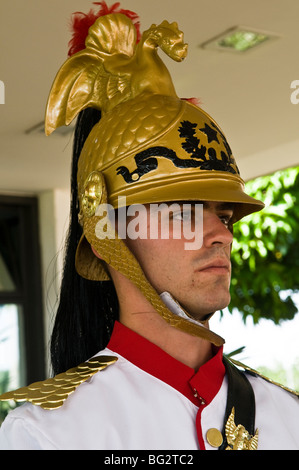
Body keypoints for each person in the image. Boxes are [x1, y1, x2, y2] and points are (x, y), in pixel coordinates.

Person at [0, 2, 298, 451]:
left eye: (223, 214)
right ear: (107, 233)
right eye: (183, 212)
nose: (221, 234)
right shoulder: (46, 432)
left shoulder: (289, 415)